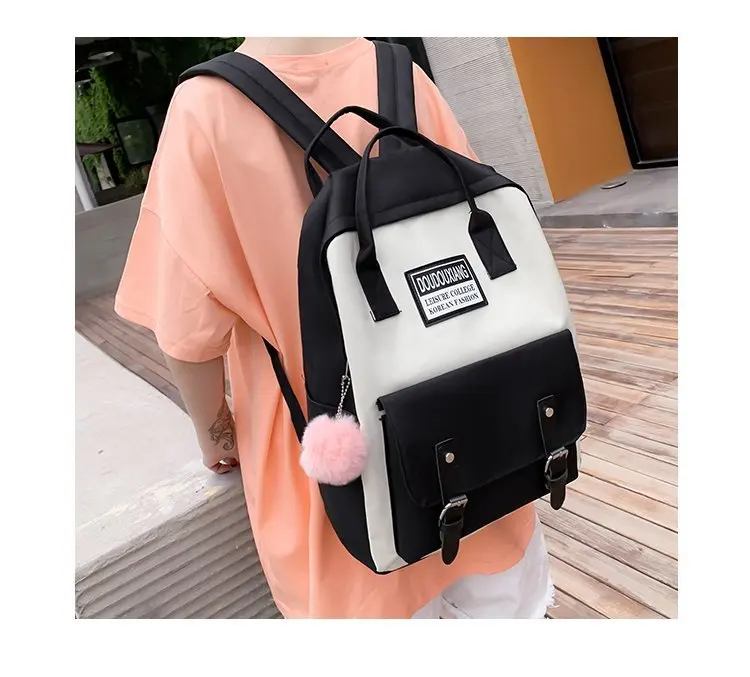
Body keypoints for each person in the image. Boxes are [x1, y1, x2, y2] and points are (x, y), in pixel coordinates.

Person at [115, 36, 554, 619]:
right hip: (472, 430)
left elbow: (186, 331)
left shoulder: (204, 108)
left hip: (336, 470)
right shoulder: (399, 71)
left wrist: (216, 434)